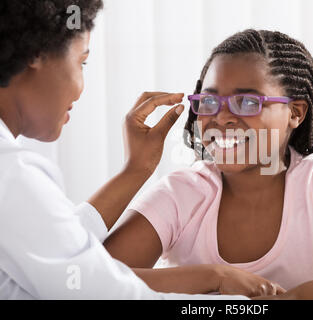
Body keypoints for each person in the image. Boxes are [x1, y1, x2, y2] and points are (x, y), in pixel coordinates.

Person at [104, 29, 313, 300]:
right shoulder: (182, 194)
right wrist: (215, 277)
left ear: (295, 113)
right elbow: (96, 281)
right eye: (209, 101)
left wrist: (305, 296)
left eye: (247, 102)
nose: (222, 117)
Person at [0, 0, 252, 300]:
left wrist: (137, 169)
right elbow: (98, 291)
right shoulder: (11, 175)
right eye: (82, 62)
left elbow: (50, 247)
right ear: (36, 54)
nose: (82, 87)